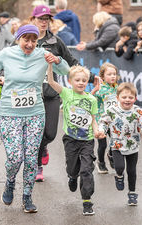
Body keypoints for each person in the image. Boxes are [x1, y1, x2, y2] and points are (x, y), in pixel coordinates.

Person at [0, 24, 70, 213]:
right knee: (15, 157)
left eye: (33, 40)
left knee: (30, 158)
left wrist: (57, 59)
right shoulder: (7, 54)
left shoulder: (42, 55)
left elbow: (65, 71)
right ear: (18, 39)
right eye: (26, 39)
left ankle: (27, 196)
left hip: (35, 114)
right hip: (9, 113)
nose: (29, 44)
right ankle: (10, 182)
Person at [30, 5, 81, 182]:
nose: (44, 22)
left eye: (46, 19)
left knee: (50, 134)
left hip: (51, 94)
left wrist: (91, 78)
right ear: (33, 20)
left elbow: (72, 62)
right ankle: (38, 166)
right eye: (40, 19)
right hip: (30, 96)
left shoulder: (55, 41)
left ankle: (43, 147)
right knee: (35, 133)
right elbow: (9, 61)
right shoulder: (25, 40)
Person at [47, 64, 99, 216]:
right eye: (78, 80)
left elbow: (93, 119)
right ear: (70, 81)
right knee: (72, 168)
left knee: (87, 170)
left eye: (84, 80)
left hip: (87, 140)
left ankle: (87, 201)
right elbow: (50, 82)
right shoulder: (66, 94)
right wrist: (50, 66)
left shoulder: (91, 99)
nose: (81, 83)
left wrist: (96, 130)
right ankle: (71, 176)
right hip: (71, 139)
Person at [98, 82, 142, 206]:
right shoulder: (112, 110)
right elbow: (103, 122)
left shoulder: (138, 111)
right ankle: (119, 176)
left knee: (132, 171)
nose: (127, 100)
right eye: (124, 97)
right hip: (117, 144)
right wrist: (102, 130)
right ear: (118, 98)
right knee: (119, 167)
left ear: (135, 98)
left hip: (133, 146)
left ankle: (132, 193)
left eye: (130, 97)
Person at [91, 62, 119, 173]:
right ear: (102, 76)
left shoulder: (117, 88)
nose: (113, 76)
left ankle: (111, 155)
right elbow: (89, 99)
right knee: (103, 144)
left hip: (114, 121)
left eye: (114, 74)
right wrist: (94, 91)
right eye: (109, 74)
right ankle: (101, 163)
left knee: (115, 141)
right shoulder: (100, 89)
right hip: (101, 120)